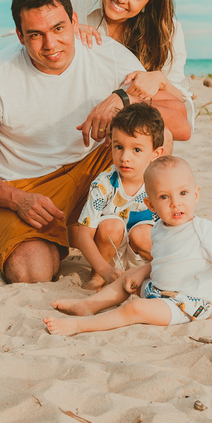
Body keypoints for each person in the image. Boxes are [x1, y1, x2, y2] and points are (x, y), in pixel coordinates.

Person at [0, 0, 191, 284]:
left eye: (58, 28)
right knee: (30, 272)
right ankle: (70, 234)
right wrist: (16, 200)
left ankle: (144, 223)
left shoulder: (107, 55)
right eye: (35, 35)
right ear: (20, 36)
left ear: (75, 22)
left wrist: (123, 98)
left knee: (159, 135)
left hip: (96, 169)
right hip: (28, 188)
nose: (50, 44)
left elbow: (180, 124)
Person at [43, 156, 212, 335]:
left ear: (196, 194)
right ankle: (88, 306)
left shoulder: (204, 230)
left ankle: (80, 326)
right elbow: (162, 261)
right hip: (158, 290)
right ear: (151, 205)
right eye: (164, 197)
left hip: (186, 304)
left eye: (183, 193)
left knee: (135, 308)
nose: (175, 203)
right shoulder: (159, 228)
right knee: (128, 276)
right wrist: (140, 272)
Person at [67, 0, 194, 139]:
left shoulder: (167, 31)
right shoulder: (72, 2)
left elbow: (180, 109)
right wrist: (64, 30)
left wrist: (160, 81)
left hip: (123, 131)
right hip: (72, 124)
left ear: (150, 1)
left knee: (164, 135)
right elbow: (28, 33)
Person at [70, 103, 166, 292]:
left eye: (136, 150)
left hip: (145, 260)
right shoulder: (103, 184)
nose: (124, 157)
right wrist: (103, 270)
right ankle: (97, 278)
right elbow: (84, 236)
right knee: (110, 226)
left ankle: (157, 274)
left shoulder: (160, 184)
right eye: (119, 147)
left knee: (143, 234)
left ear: (156, 153)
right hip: (108, 260)